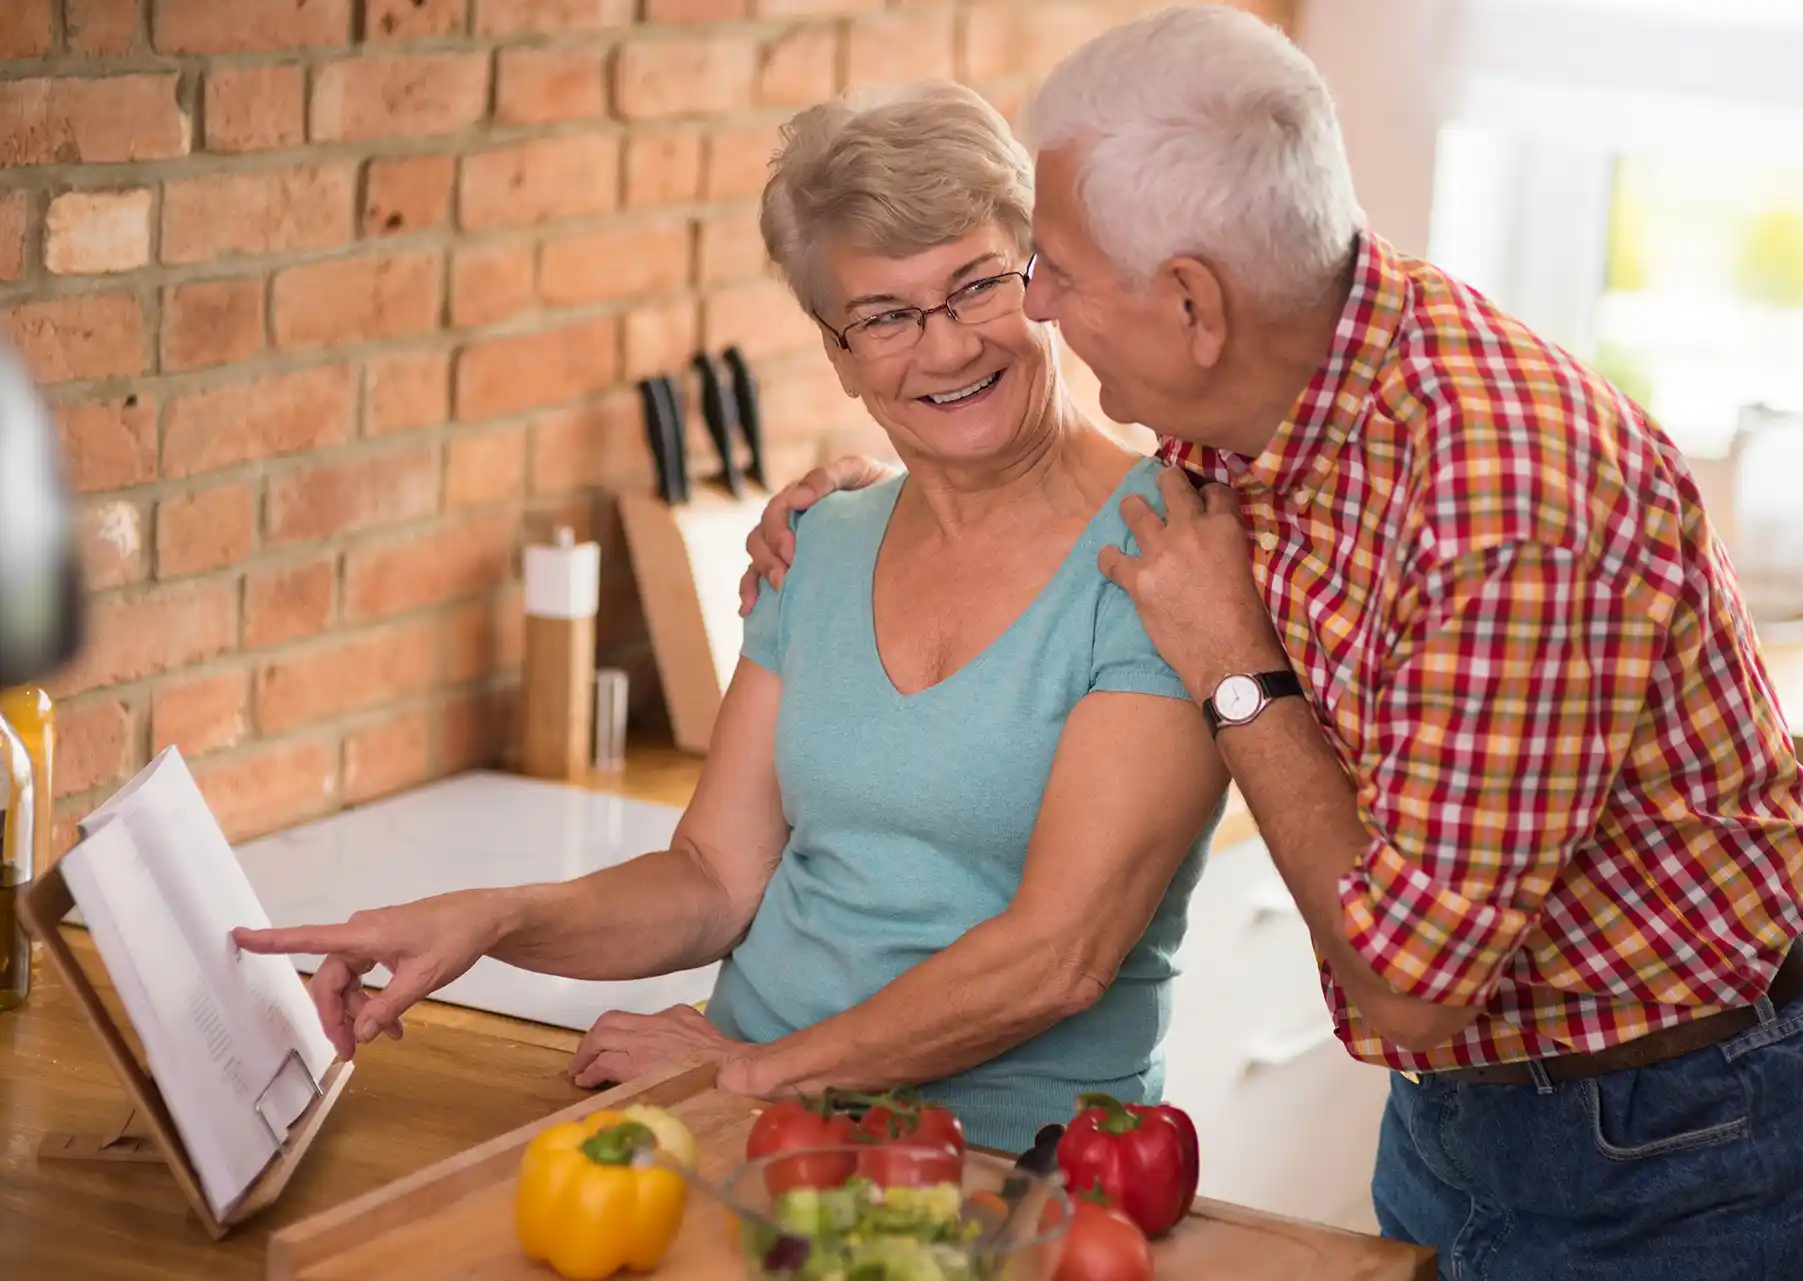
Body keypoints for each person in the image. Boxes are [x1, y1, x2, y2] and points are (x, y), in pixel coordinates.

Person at [737, 7, 1803, 1277]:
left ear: (1191, 303)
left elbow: (1409, 988)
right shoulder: (1260, 378)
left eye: (1049, 270)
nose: (1036, 310)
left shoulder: (1509, 505)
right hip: (1479, 1094)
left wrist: (1238, 665)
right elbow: (1018, 470)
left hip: (1688, 1114)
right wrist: (866, 500)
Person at [235, 81, 1227, 1155]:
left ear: (1041, 283)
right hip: (737, 1121)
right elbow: (712, 878)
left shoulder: (1167, 556)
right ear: (838, 354)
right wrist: (493, 919)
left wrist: (757, 1074)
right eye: (886, 316)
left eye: (975, 286)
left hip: (1012, 1164)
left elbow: (1059, 956)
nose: (944, 350)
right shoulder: (825, 542)